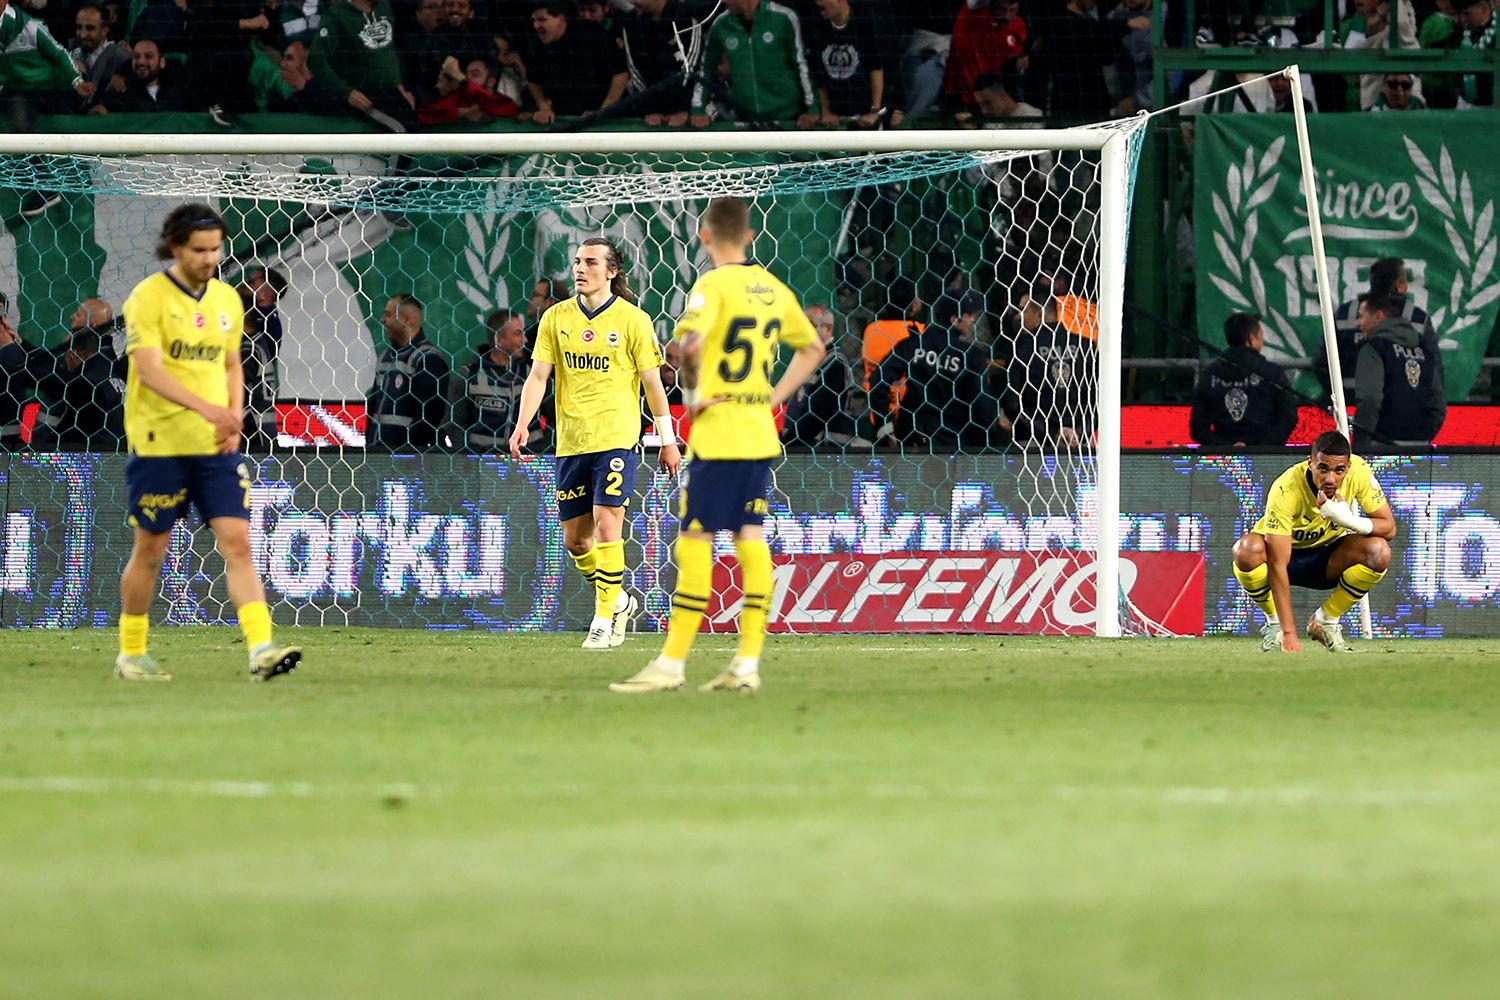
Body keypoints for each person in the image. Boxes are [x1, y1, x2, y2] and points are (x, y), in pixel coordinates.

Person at [611, 197, 823, 694]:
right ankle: (747, 663)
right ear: (750, 236)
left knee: (696, 539)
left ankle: (671, 664)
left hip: (719, 433)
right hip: (758, 432)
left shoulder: (711, 286)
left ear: (705, 236)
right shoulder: (773, 288)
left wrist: (692, 395)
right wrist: (774, 396)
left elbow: (689, 346)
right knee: (750, 537)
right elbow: (813, 347)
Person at [115, 203, 301, 682]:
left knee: (238, 542)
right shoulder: (148, 298)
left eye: (215, 249)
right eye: (199, 250)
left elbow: (232, 363)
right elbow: (148, 371)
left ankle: (261, 650)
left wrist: (234, 414)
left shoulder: (226, 299)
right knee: (150, 550)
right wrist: (208, 408)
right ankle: (131, 653)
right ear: (176, 247)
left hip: (215, 446)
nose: (209, 259)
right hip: (160, 444)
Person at [509, 238, 682, 650]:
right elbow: (538, 376)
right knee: (576, 541)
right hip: (571, 441)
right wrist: (522, 424)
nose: (580, 269)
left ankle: (602, 620)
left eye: (590, 262)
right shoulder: (556, 318)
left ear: (612, 271)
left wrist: (668, 440)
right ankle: (619, 601)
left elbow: (653, 385)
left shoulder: (633, 320)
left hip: (617, 438)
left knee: (608, 523)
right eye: (577, 262)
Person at [1231, 430, 1396, 654]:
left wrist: (1347, 520)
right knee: (1246, 550)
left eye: (1339, 470)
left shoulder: (1359, 471)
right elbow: (1278, 564)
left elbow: (1389, 528)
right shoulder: (1286, 488)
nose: (1330, 479)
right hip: (1285, 559)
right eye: (1323, 468)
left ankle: (1326, 621)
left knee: (1379, 551)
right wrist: (1289, 631)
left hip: (1328, 559)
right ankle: (1275, 625)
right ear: (1310, 463)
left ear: (1348, 467)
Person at [870, 291, 996, 450]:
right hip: (953, 441)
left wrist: (884, 425)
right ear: (954, 319)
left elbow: (878, 381)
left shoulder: (912, 344)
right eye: (969, 315)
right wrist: (982, 443)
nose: (973, 320)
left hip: (912, 438)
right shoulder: (971, 356)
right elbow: (982, 404)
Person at [1, 0, 91, 219]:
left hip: (45, 89)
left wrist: (77, 81)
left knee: (20, 119)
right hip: (14, 88)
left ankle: (46, 185)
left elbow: (59, 53)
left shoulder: (29, 26)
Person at [690, 0, 817, 127]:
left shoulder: (784, 18)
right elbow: (705, 69)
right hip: (742, 120)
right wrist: (697, 109)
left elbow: (801, 65)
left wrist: (812, 108)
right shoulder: (720, 25)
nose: (723, 1)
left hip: (786, 118)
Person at [998, 290, 1095, 448]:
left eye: (1023, 310)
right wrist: (1078, 432)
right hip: (1079, 443)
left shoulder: (1022, 347)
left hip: (1033, 443)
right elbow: (1101, 400)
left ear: (1040, 312)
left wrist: (1051, 433)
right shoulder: (1085, 345)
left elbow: (1012, 404)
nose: (1018, 316)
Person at [1189, 312, 1297, 448]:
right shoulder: (1273, 372)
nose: (1262, 342)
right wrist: (1261, 448)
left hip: (1223, 457)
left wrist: (1227, 447)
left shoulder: (1210, 373)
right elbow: (1288, 418)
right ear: (1251, 339)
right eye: (1260, 337)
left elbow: (1197, 428)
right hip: (1266, 455)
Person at [307, 0, 417, 132]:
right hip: (363, 94)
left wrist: (399, 86)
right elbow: (316, 60)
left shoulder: (384, 7)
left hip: (391, 92)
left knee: (415, 129)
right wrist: (348, 93)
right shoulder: (336, 16)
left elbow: (388, 50)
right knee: (401, 131)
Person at [1353, 292, 1447, 446]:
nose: (1358, 324)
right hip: (1420, 447)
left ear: (1378, 316)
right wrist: (1423, 436)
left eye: (1361, 316)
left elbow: (1370, 399)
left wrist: (1361, 443)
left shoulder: (1374, 348)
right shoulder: (1424, 352)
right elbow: (1438, 405)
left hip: (1380, 446)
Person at [366, 294, 452, 450]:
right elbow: (372, 408)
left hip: (407, 458)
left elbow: (429, 416)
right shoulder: (386, 356)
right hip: (378, 455)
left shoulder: (428, 359)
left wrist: (406, 454)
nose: (382, 320)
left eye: (388, 314)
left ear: (408, 320)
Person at [451, 307, 544, 451]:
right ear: (499, 339)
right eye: (518, 334)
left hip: (528, 458)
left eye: (523, 333)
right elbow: (453, 423)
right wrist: (468, 456)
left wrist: (543, 450)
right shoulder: (469, 375)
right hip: (482, 460)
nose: (524, 340)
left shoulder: (533, 375)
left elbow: (555, 417)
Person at [524, 1, 628, 123]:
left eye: (542, 20)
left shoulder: (591, 33)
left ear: (561, 19)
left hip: (601, 117)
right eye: (534, 20)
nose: (536, 26)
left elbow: (620, 74)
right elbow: (533, 82)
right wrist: (544, 107)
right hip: (562, 118)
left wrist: (602, 111)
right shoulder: (536, 44)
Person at [781, 302, 865, 448]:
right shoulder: (808, 361)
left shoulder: (834, 363)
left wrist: (789, 443)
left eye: (808, 325)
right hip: (803, 448)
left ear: (827, 329)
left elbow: (818, 413)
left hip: (824, 450)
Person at [31, 323, 126, 451]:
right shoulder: (108, 370)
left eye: (65, 350)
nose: (63, 358)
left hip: (96, 454)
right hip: (119, 450)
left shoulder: (85, 383)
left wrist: (38, 448)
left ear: (75, 352)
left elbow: (71, 433)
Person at [809, 0, 898, 127]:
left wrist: (874, 111)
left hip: (865, 113)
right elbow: (819, 77)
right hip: (836, 116)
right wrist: (826, 111)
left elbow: (876, 69)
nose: (818, 2)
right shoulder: (817, 28)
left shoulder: (867, 23)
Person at [620, 0, 704, 127]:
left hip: (692, 104)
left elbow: (693, 66)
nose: (632, 1)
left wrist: (682, 108)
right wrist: (650, 108)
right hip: (647, 107)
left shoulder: (687, 15)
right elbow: (634, 69)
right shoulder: (630, 21)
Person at [96, 38, 190, 113]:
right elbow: (99, 113)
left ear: (161, 62)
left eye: (148, 56)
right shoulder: (121, 92)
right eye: (136, 57)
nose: (141, 62)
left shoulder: (179, 92)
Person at [68, 4, 130, 112]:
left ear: (104, 31)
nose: (82, 35)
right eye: (79, 28)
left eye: (90, 28)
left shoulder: (121, 58)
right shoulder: (70, 56)